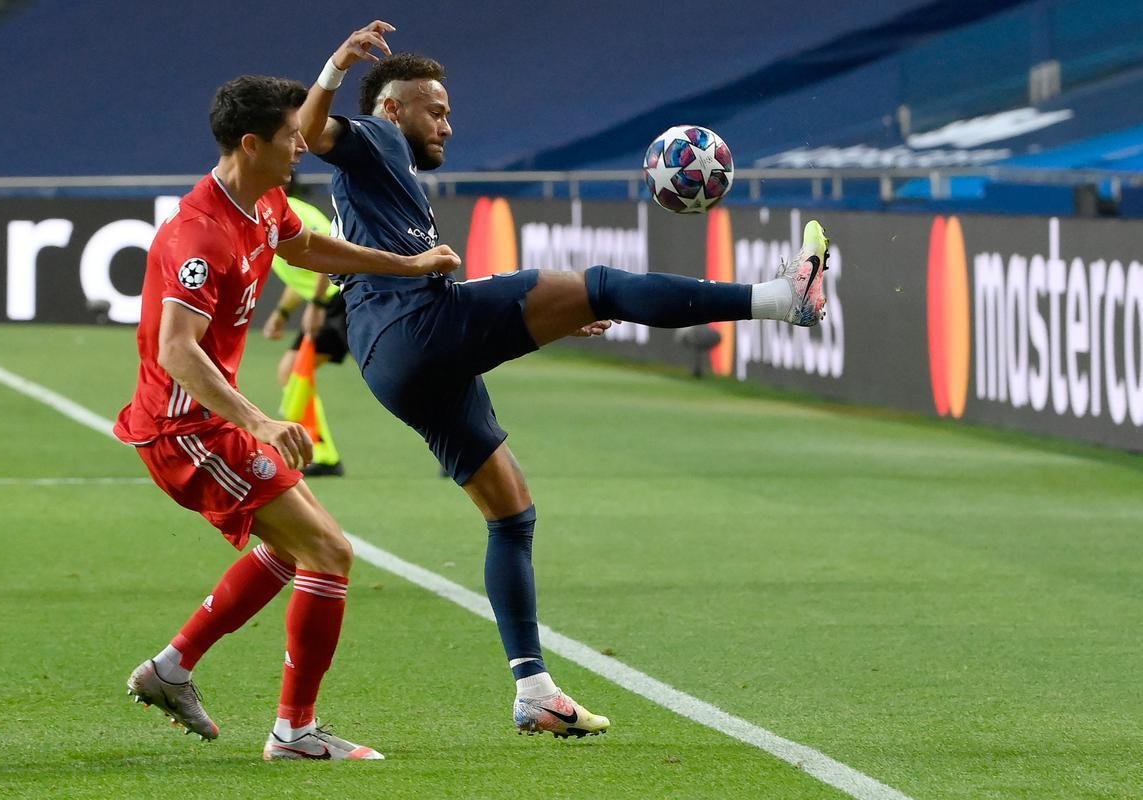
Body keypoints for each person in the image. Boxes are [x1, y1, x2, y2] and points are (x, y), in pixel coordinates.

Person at [300, 21, 829, 739]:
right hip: (416, 327)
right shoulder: (375, 135)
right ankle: (779, 299)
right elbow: (309, 131)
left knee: (510, 513)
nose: (448, 125)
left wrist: (550, 314)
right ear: (393, 107)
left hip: (391, 358)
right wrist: (335, 64)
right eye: (436, 110)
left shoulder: (383, 178)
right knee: (605, 284)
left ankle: (534, 691)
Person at [114, 73, 460, 761]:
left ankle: (170, 670)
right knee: (328, 552)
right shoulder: (198, 235)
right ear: (250, 143)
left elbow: (305, 249)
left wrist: (405, 264)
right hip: (184, 431)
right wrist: (260, 420)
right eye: (289, 135)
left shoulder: (265, 202)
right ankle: (295, 732)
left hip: (211, 423)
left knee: (289, 546)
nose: (304, 143)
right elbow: (177, 352)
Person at [261, 178, 349, 477]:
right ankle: (321, 454)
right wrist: (283, 312)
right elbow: (304, 275)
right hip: (333, 301)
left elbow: (331, 250)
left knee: (399, 371)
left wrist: (318, 306)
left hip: (343, 299)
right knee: (292, 370)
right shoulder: (270, 217)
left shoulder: (291, 211)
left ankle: (322, 454)